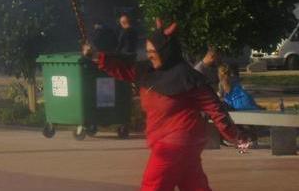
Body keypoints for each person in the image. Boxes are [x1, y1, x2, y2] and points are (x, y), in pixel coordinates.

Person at [83, 20, 249, 191]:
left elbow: (216, 109)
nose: (150, 56)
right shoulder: (149, 71)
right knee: (194, 185)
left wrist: (236, 137)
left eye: (153, 52)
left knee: (154, 185)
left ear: (166, 51)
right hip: (184, 145)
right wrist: (96, 56)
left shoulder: (188, 78)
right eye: (148, 52)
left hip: (173, 144)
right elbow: (123, 70)